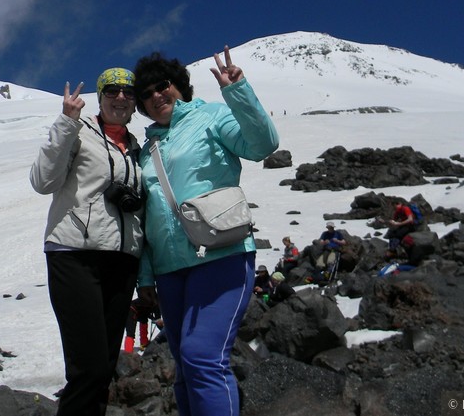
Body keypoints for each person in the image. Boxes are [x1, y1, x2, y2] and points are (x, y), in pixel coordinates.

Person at [134, 46, 279, 416]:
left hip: (221, 254)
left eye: (161, 85)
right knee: (185, 367)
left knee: (202, 357)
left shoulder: (211, 116)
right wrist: (146, 277)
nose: (155, 96)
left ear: (179, 86)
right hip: (170, 271)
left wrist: (237, 91)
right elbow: (148, 217)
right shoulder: (146, 148)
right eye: (146, 93)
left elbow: (263, 144)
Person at [29, 68, 146, 416]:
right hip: (75, 255)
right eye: (111, 90)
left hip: (122, 261)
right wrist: (66, 121)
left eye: (128, 91)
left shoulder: (137, 147)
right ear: (100, 95)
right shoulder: (79, 132)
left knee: (104, 369)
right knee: (89, 367)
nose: (120, 97)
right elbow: (42, 181)